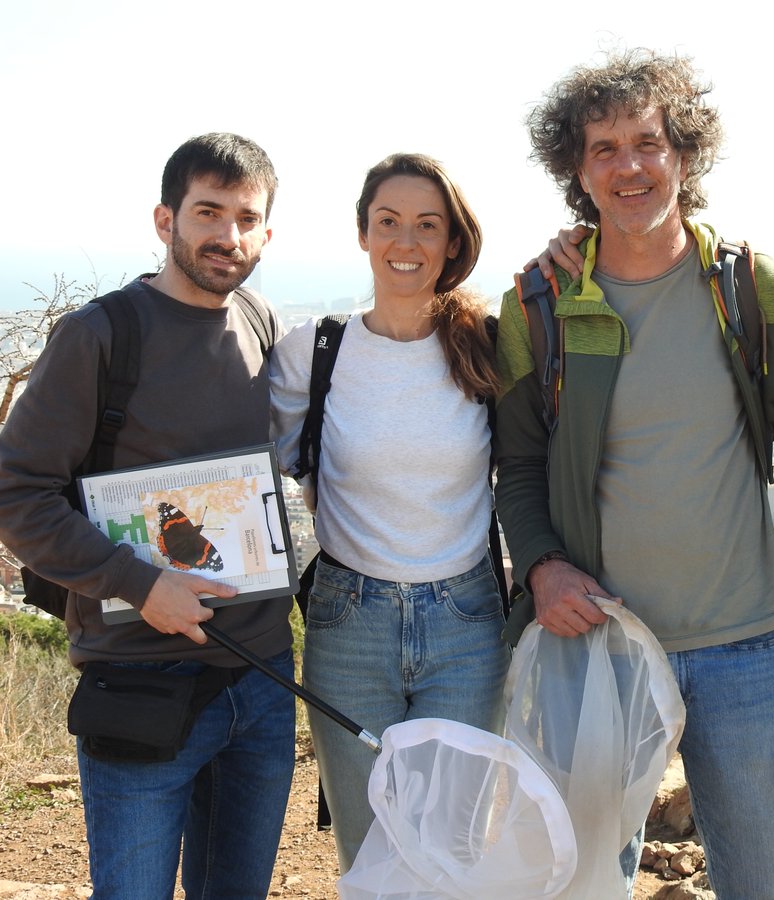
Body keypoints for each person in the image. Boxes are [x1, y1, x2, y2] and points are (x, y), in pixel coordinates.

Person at [493, 51, 774, 899]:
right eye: (603, 148)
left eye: (647, 142)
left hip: (743, 639)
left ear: (684, 156)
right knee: (582, 880)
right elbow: (517, 463)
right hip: (598, 643)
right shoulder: (539, 305)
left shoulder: (745, 285)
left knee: (758, 878)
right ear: (577, 171)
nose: (628, 165)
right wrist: (545, 565)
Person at [0, 133, 296, 899]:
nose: (227, 236)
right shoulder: (101, 335)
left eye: (246, 218)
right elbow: (14, 492)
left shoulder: (259, 322)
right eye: (207, 212)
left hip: (258, 680)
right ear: (166, 220)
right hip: (140, 683)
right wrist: (139, 583)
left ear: (267, 233)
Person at [268, 153, 510, 874]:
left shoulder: (488, 347)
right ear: (364, 234)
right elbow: (249, 464)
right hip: (350, 623)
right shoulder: (314, 352)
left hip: (467, 623)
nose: (406, 243)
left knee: (453, 852)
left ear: (452, 243)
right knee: (370, 854)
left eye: (427, 226)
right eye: (389, 222)